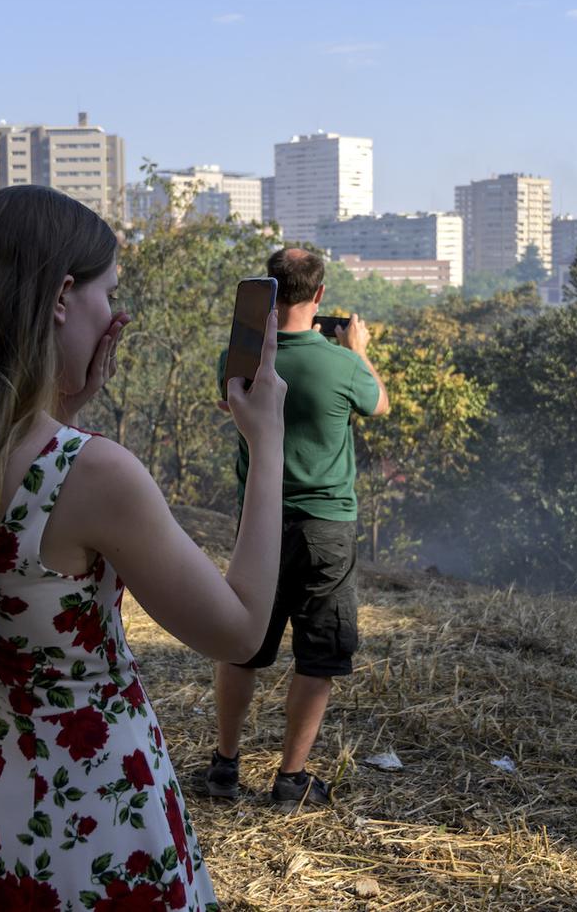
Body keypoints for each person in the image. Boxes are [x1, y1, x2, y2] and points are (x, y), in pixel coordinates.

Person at [0, 185, 287, 911]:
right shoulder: (95, 472)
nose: (117, 314)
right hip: (83, 825)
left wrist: (66, 403)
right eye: (109, 292)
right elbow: (239, 629)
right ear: (61, 295)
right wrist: (266, 441)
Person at [206, 247, 389, 808]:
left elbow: (228, 405)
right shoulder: (342, 365)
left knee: (241, 646)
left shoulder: (237, 359)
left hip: (257, 524)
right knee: (318, 654)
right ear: (319, 296)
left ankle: (224, 767)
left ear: (267, 289)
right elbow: (379, 404)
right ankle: (291, 779)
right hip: (325, 527)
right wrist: (357, 352)